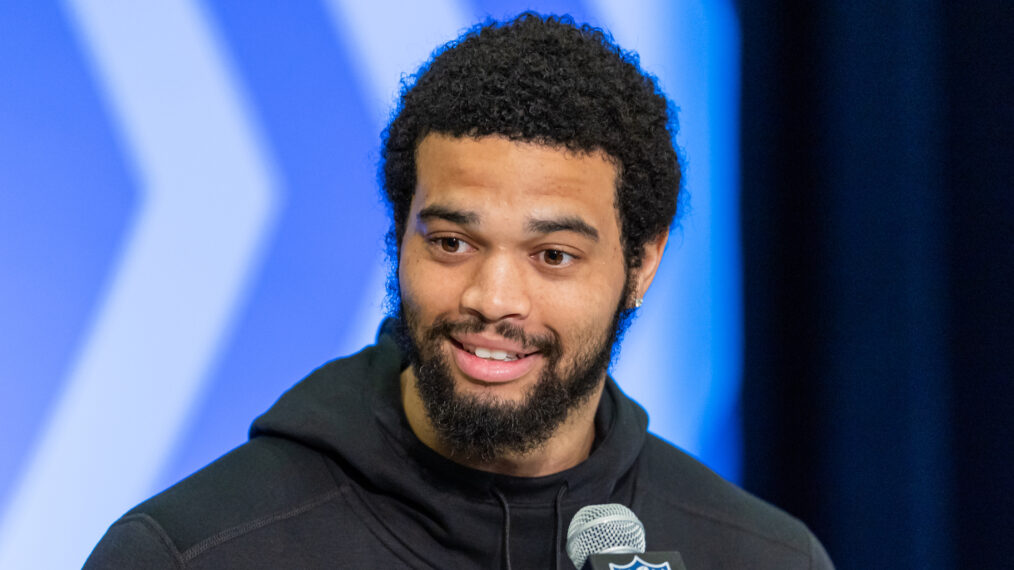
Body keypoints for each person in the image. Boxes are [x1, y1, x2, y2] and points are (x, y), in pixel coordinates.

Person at [86, 13, 833, 569]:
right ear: (398, 236)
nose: (493, 297)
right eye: (452, 243)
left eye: (552, 255)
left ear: (642, 264)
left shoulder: (759, 556)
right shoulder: (194, 552)